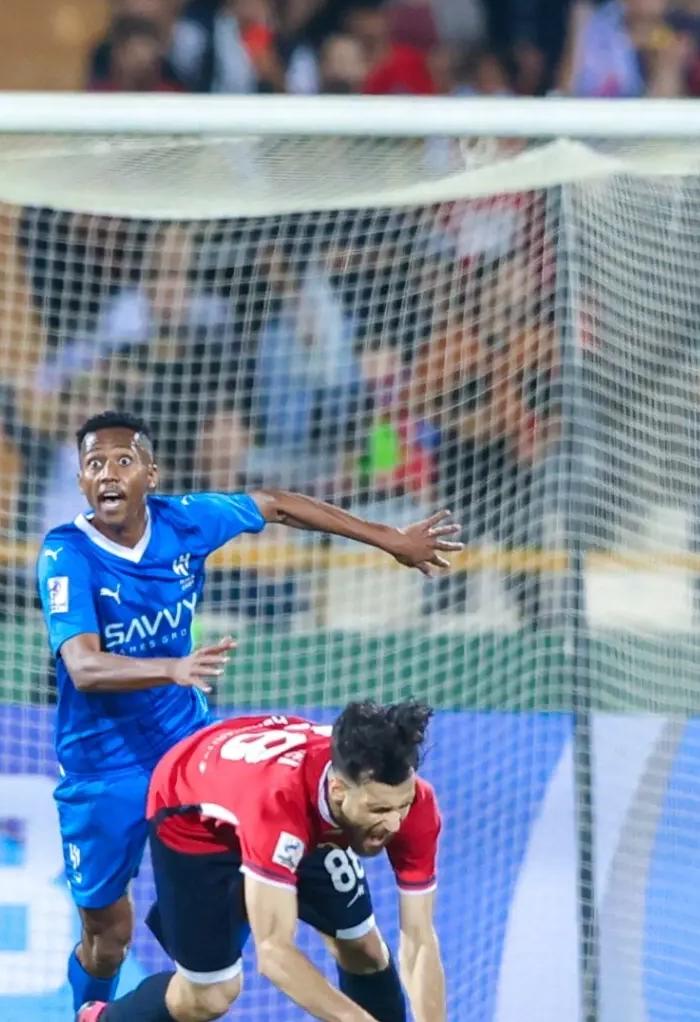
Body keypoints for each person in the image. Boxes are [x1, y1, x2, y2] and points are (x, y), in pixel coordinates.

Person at [38, 411, 460, 1012]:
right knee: (107, 940)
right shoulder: (67, 553)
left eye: (123, 461)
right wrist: (173, 670)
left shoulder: (186, 522)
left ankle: (196, 938)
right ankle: (94, 1006)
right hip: (101, 771)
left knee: (243, 955)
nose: (108, 473)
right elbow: (83, 666)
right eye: (94, 464)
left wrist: (389, 539)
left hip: (189, 751)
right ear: (81, 481)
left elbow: (277, 505)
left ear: (150, 473)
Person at [82, 702, 447, 1022]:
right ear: (338, 790)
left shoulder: (414, 804)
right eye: (380, 809)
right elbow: (274, 954)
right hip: (193, 814)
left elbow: (418, 939)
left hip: (292, 809)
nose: (395, 823)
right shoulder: (278, 805)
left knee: (365, 948)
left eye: (402, 805)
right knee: (210, 996)